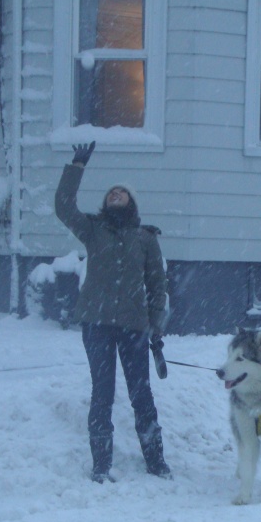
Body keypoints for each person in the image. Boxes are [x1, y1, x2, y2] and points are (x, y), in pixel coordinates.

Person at [54, 141, 172, 483]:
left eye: (122, 192)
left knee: (141, 394)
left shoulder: (145, 238)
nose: (115, 194)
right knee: (102, 392)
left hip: (134, 326)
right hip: (97, 324)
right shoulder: (93, 230)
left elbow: (157, 283)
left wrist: (156, 324)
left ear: (132, 201)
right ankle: (101, 465)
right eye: (111, 192)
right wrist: (77, 165)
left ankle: (156, 462)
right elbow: (63, 206)